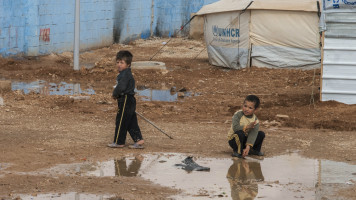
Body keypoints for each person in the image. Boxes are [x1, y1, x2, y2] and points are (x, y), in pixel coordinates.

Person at [107, 50, 144, 149]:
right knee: (131, 121)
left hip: (126, 99)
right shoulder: (124, 74)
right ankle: (139, 140)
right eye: (118, 62)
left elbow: (121, 87)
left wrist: (115, 94)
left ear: (128, 64)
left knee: (121, 121)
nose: (119, 65)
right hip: (129, 100)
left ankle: (119, 142)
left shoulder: (125, 75)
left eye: (122, 63)